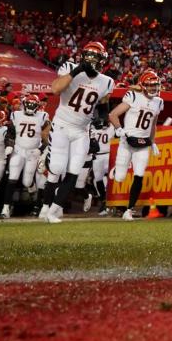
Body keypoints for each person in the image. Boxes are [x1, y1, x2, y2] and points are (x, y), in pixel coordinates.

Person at [43, 41, 116, 223]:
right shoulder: (70, 67)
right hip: (62, 124)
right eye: (88, 56)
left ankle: (53, 210)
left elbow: (104, 103)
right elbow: (55, 89)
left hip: (82, 130)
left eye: (95, 57)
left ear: (102, 60)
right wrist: (76, 72)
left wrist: (102, 117)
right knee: (58, 168)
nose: (91, 61)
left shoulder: (107, 81)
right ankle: (45, 205)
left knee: (75, 171)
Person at [108, 70, 164, 220]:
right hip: (127, 141)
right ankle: (119, 168)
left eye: (155, 86)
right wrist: (119, 129)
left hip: (143, 143)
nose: (154, 89)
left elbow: (153, 125)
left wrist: (152, 142)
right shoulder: (132, 96)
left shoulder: (158, 102)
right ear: (143, 86)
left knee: (139, 175)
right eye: (150, 86)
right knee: (119, 178)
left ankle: (129, 210)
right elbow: (113, 114)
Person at [0, 94, 49, 219]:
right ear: (24, 104)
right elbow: (10, 132)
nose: (31, 106)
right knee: (12, 178)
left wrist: (41, 149)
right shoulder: (16, 114)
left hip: (33, 152)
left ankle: (32, 190)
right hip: (18, 150)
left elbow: (48, 136)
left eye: (33, 105)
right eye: (29, 104)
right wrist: (9, 144)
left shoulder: (43, 116)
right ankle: (5, 208)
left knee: (27, 182)